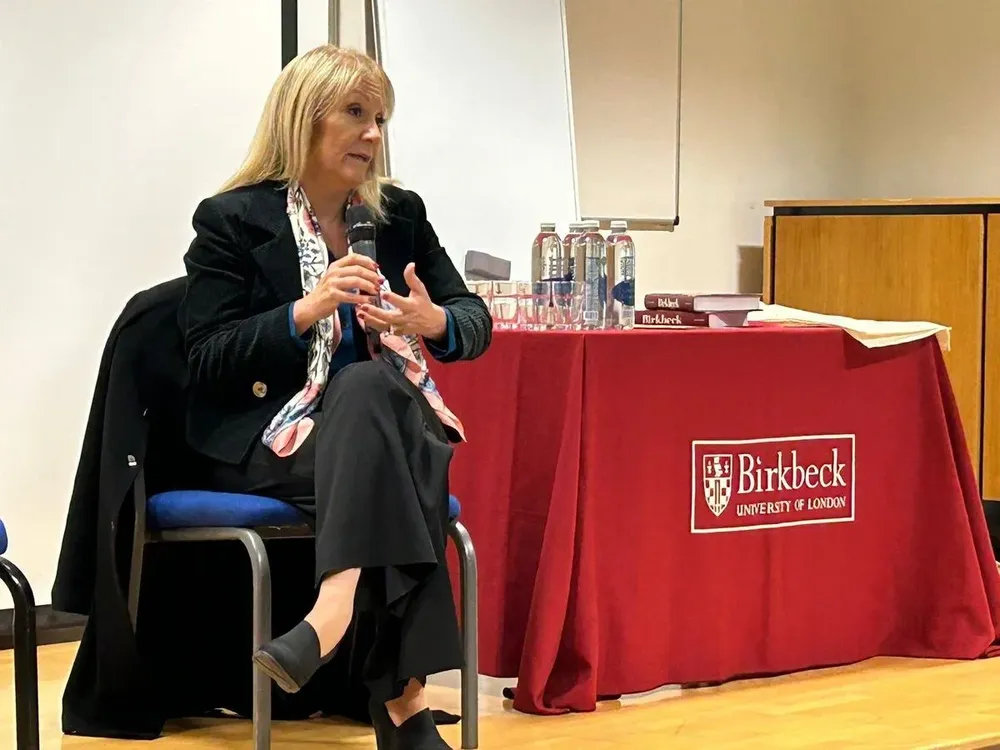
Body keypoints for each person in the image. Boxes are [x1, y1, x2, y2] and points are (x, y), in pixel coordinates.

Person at [178, 44, 492, 749]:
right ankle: (404, 706)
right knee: (382, 427)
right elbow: (205, 359)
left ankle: (330, 614)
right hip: (271, 437)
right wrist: (306, 310)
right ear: (302, 119)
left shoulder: (399, 214)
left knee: (369, 391)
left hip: (373, 430)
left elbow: (474, 321)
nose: (374, 134)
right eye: (355, 114)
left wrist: (430, 320)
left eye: (380, 118)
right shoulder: (231, 220)